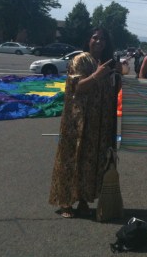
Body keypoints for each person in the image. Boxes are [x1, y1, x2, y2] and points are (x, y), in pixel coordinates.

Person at [49, 27, 122, 218]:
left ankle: (83, 199)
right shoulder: (80, 59)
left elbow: (113, 91)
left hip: (99, 122)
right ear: (88, 40)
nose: (99, 42)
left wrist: (117, 74)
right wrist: (97, 74)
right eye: (95, 38)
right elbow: (78, 87)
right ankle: (65, 202)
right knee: (72, 158)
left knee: (92, 161)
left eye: (103, 39)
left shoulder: (105, 62)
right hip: (79, 120)